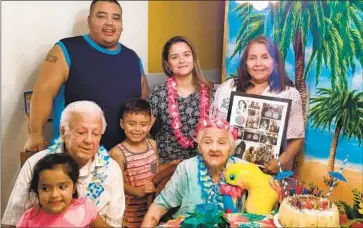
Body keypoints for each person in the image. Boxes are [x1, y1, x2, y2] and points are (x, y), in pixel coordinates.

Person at [24, 0, 150, 152]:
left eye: (116, 18)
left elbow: (144, 102)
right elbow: (43, 91)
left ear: (121, 25)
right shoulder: (65, 50)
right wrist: (35, 133)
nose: (109, 23)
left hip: (122, 157)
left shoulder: (133, 58)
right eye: (102, 16)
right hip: (73, 156)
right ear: (89, 21)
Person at [2, 101, 125, 227]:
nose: (89, 140)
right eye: (81, 132)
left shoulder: (111, 169)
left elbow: (113, 223)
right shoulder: (35, 164)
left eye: (95, 134)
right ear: (62, 132)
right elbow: (13, 221)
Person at [211, 35, 305, 174]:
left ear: (275, 62)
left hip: (266, 175)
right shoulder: (228, 87)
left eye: (265, 57)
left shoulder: (288, 94)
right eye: (252, 58)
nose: (258, 63)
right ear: (245, 63)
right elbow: (211, 125)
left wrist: (280, 161)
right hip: (226, 169)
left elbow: (297, 138)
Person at [141, 118, 248, 227]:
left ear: (231, 148)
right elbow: (159, 207)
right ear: (200, 147)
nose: (214, 148)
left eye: (221, 142)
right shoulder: (187, 168)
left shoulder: (244, 169)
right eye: (207, 142)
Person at [148, 36, 214, 165]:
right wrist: (154, 170)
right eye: (175, 57)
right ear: (167, 64)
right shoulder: (159, 93)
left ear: (193, 58)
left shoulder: (213, 91)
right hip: (167, 167)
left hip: (203, 166)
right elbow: (140, 132)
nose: (182, 60)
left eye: (186, 55)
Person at [16, 153, 110, 228]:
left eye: (62, 187)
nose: (54, 195)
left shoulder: (85, 208)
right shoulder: (28, 219)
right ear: (37, 189)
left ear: (73, 187)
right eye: (45, 188)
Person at [109, 98, 161, 227]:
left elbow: (154, 169)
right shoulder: (117, 152)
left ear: (149, 125)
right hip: (131, 214)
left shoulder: (152, 145)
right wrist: (139, 191)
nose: (137, 129)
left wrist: (172, 165)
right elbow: (117, 184)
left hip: (153, 209)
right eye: (132, 123)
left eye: (143, 124)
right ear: (122, 124)